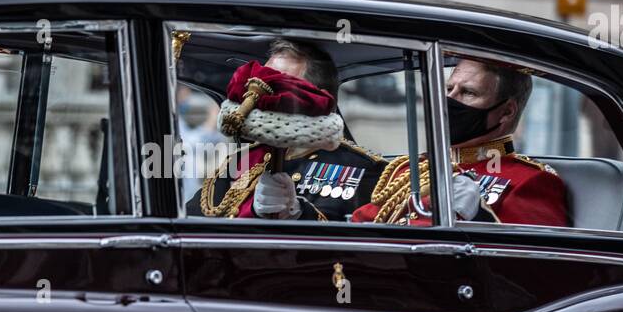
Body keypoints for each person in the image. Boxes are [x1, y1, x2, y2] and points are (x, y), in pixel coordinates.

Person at [351, 59, 569, 226]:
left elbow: (534, 269)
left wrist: (480, 216)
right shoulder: (410, 170)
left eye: (468, 92)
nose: (448, 101)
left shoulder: (528, 181)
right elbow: (360, 227)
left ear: (506, 112)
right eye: (448, 89)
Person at [187, 38, 387, 221]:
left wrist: (296, 212)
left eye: (279, 87)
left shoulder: (362, 169)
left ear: (320, 100)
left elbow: (351, 242)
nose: (263, 98)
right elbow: (194, 218)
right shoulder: (242, 160)